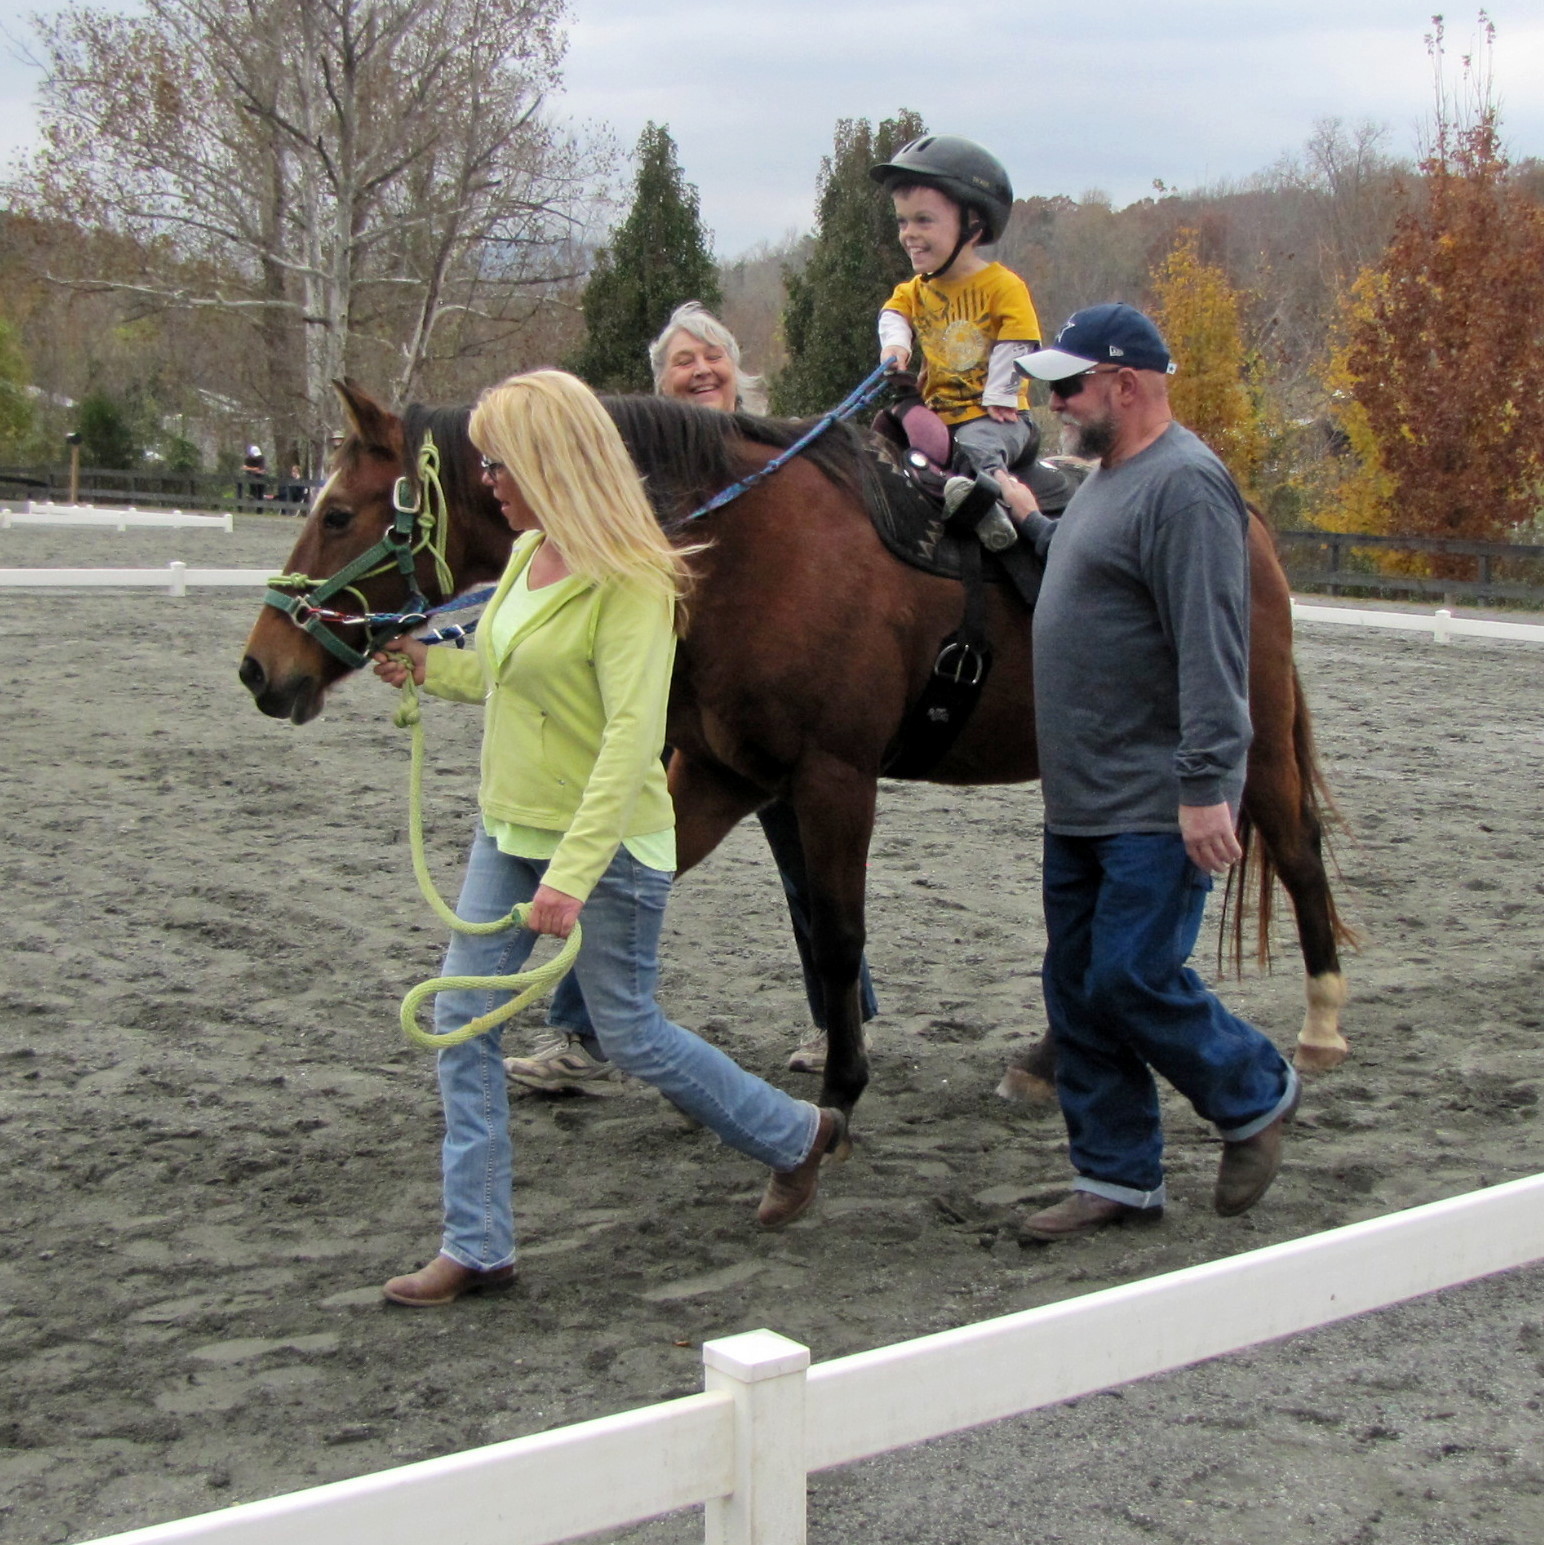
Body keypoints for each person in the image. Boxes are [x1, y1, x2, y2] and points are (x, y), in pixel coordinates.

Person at [372, 369, 845, 1306]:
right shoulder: (527, 551)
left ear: (549, 460)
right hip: (507, 829)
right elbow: (510, 671)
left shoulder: (630, 576)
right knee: (456, 1024)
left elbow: (633, 735)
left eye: (498, 461)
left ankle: (796, 1134)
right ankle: (477, 1243)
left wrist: (574, 876)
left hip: (609, 846)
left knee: (631, 1034)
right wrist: (430, 669)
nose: (487, 480)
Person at [502, 302, 877, 1094]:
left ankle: (839, 1017)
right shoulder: (637, 473)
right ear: (658, 382)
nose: (702, 368)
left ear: (739, 377)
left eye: (714, 357)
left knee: (807, 864)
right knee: (638, 862)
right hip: (689, 703)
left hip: (776, 694)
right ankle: (581, 1032)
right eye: (683, 360)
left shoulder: (779, 462)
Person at [999, 303, 1299, 1241]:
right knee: (1076, 987)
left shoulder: (1187, 487)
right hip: (1082, 799)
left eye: (1070, 385)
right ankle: (1119, 1179)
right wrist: (1023, 521)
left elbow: (1213, 645)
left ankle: (1256, 1092)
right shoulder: (1105, 482)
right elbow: (1093, 573)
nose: (1056, 402)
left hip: (1150, 801)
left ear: (1125, 385)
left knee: (1129, 974)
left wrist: (1209, 785)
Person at [869, 136, 1041, 512]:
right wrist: (896, 347)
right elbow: (894, 313)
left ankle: (997, 513)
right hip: (939, 415)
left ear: (973, 225)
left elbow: (1018, 343)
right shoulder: (916, 290)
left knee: (977, 451)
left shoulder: (1003, 286)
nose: (908, 234)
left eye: (923, 221)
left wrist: (1001, 395)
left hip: (996, 417)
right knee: (877, 445)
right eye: (902, 222)